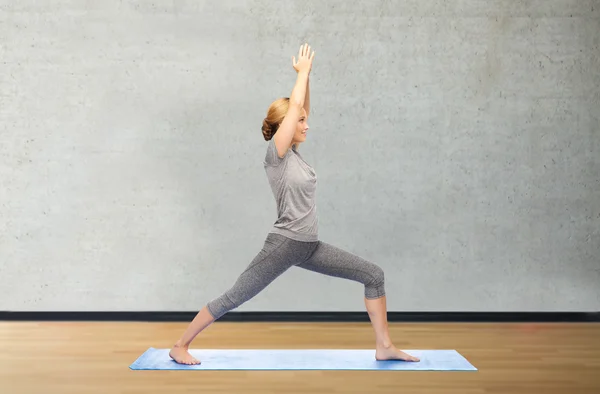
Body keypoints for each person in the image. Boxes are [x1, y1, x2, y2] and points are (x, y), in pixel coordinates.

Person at [169, 43, 420, 365]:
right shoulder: (277, 156)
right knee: (235, 296)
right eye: (299, 121)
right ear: (286, 125)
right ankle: (180, 345)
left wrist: (308, 77)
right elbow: (297, 106)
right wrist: (301, 75)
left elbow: (303, 107)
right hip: (285, 244)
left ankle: (384, 346)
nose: (307, 125)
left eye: (304, 120)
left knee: (373, 275)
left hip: (309, 246)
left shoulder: (295, 158)